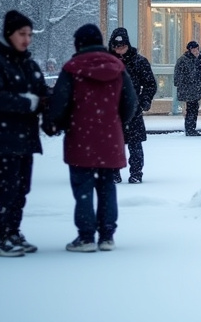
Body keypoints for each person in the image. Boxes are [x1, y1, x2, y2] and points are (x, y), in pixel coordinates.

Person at [49, 24, 137, 253]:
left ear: (79, 43)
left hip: (80, 137)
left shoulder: (72, 68)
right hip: (110, 137)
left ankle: (86, 237)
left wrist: (58, 124)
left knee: (83, 188)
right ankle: (107, 235)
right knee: (107, 186)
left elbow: (59, 103)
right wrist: (116, 121)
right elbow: (130, 103)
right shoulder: (117, 67)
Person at [0, 10, 50, 257]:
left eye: (29, 34)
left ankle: (13, 232)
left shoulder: (27, 63)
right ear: (10, 34)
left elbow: (42, 91)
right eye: (22, 34)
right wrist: (27, 103)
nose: (27, 39)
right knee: (5, 188)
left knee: (21, 188)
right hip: (3, 137)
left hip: (25, 137)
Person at [108, 27, 156, 183]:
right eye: (116, 47)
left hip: (132, 110)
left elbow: (149, 84)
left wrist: (144, 101)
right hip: (111, 111)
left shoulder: (139, 61)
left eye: (122, 46)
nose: (120, 50)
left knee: (135, 144)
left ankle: (136, 173)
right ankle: (113, 173)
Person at [174, 41, 201, 136]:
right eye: (194, 49)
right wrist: (184, 84)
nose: (196, 51)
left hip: (194, 89)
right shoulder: (183, 60)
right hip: (188, 89)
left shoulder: (197, 59)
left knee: (194, 109)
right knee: (191, 109)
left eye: (197, 49)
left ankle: (191, 128)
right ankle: (190, 129)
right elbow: (178, 76)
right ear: (190, 49)